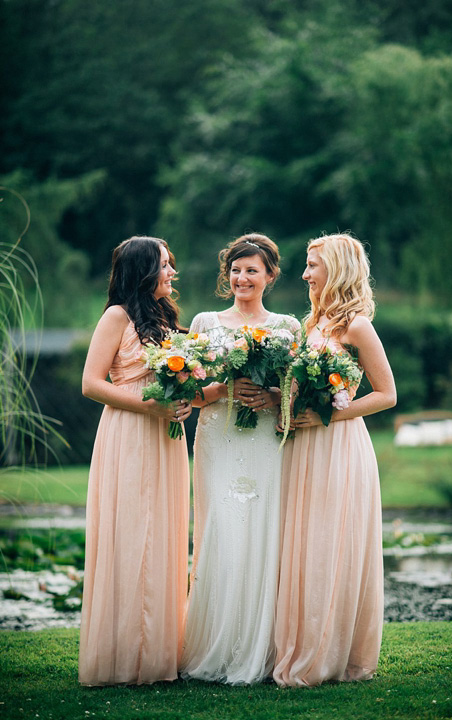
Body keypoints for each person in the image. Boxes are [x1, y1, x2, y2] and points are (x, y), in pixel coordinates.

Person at [273, 232, 396, 687]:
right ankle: (300, 643)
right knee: (303, 545)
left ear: (338, 269)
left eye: (312, 265)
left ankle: (329, 654)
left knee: (330, 544)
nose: (304, 273)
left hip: (339, 447)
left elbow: (387, 394)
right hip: (303, 447)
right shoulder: (310, 326)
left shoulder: (357, 326)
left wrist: (331, 414)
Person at [179, 233, 299, 684]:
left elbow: (295, 391)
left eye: (252, 270)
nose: (242, 277)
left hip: (265, 440)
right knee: (221, 529)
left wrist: (271, 396)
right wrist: (225, 390)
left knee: (262, 529)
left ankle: (262, 648)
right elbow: (187, 389)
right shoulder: (205, 321)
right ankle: (215, 644)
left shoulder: (288, 326)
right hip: (218, 436)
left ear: (270, 275)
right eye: (235, 269)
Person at [79, 236, 192, 685]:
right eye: (165, 266)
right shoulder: (116, 317)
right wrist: (148, 405)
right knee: (129, 537)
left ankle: (160, 653)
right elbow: (90, 383)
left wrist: (190, 400)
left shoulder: (164, 319)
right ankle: (123, 656)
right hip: (128, 434)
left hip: (167, 440)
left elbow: (181, 384)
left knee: (163, 535)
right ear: (143, 270)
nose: (172, 273)